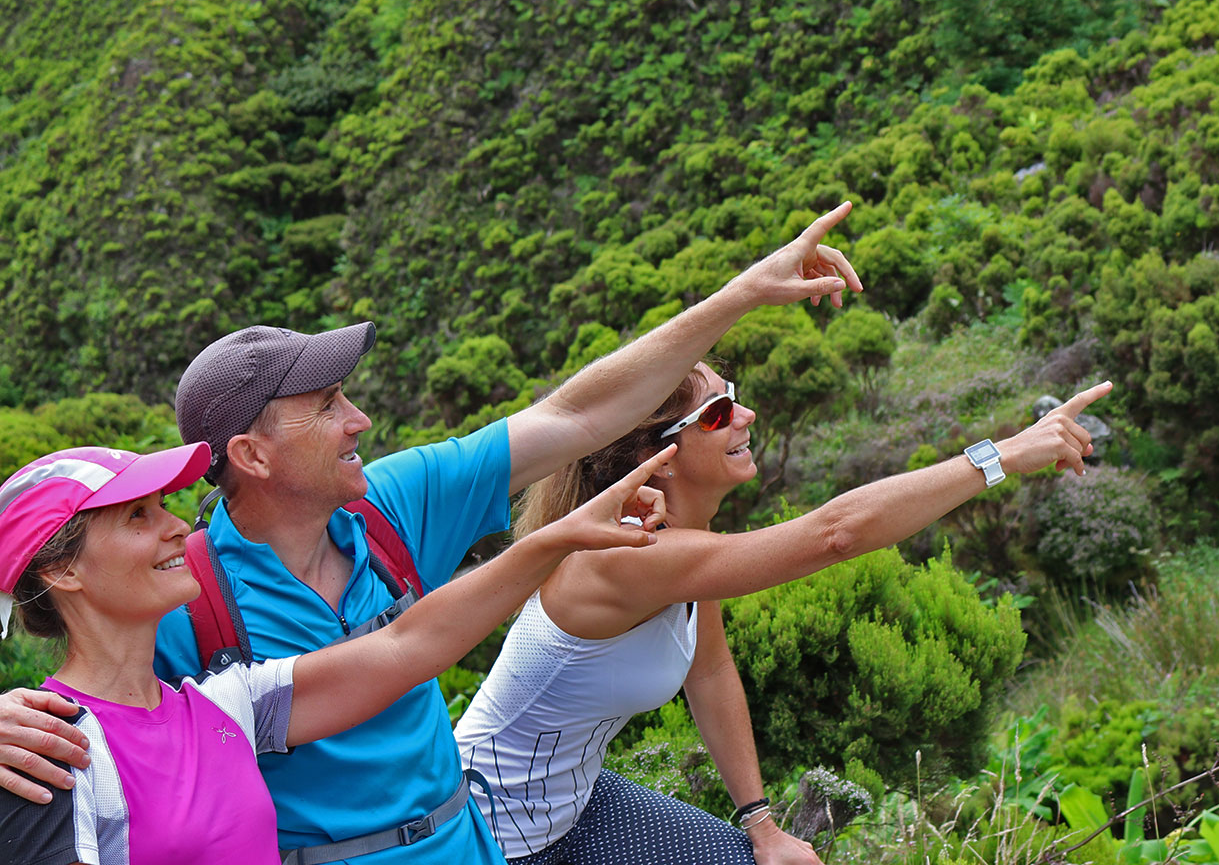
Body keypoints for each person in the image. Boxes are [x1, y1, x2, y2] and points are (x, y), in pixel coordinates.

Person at [0, 204, 863, 865]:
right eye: (327, 406)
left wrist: (744, 292)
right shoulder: (187, 596)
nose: (359, 420)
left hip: (472, 839)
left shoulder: (391, 504)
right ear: (251, 455)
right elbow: (96, 699)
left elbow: (576, 413)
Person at [455, 364, 1112, 865]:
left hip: (577, 805)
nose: (746, 415)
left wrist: (761, 822)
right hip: (484, 833)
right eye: (716, 414)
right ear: (653, 457)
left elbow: (708, 671)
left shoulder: (686, 542)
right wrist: (997, 458)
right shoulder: (629, 558)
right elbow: (838, 534)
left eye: (732, 394)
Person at [0, 438, 674, 864]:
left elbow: (410, 645)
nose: (179, 527)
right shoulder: (51, 752)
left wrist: (560, 538)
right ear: (63, 571)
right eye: (138, 516)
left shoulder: (229, 707)